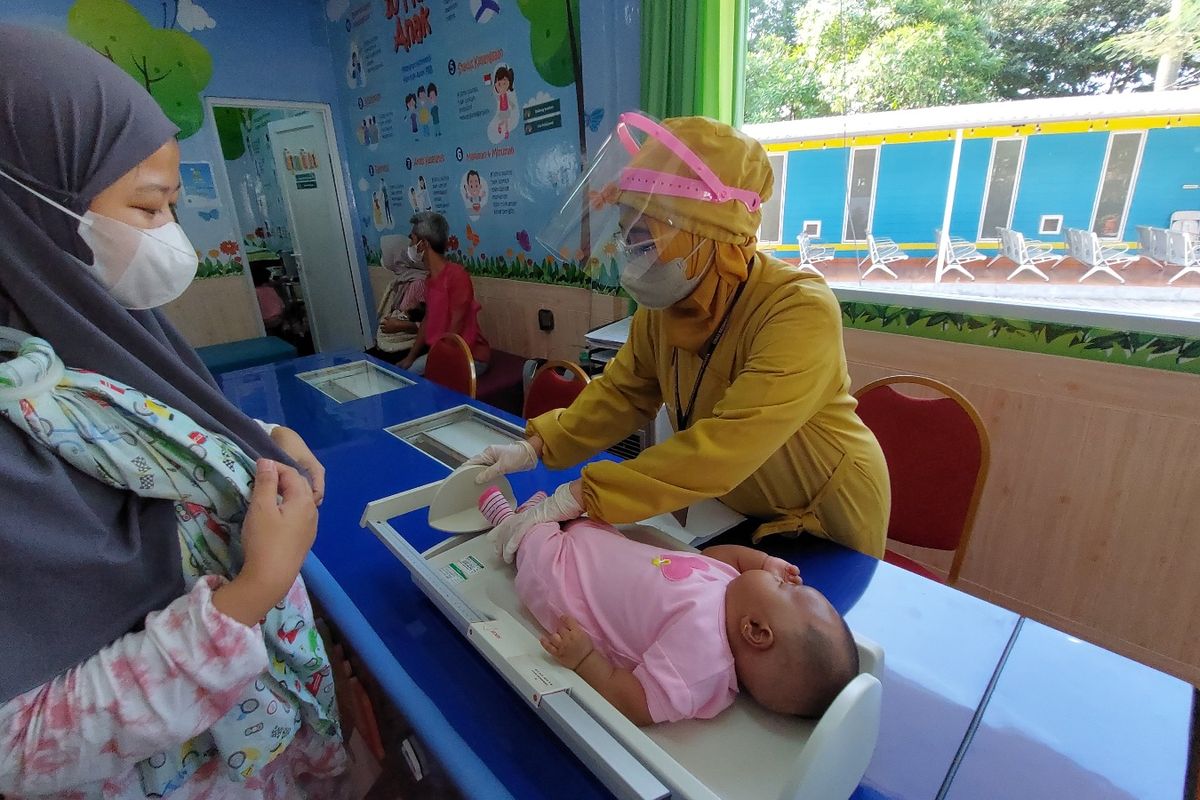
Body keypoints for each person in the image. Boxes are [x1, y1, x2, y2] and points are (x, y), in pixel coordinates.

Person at [0, 26, 345, 798]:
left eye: (171, 204)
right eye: (148, 207)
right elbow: (19, 748)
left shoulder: (88, 323)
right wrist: (251, 596)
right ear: (28, 212)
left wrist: (243, 439)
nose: (170, 240)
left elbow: (146, 435)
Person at [468, 113, 890, 559]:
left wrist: (583, 494)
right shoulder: (665, 307)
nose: (631, 255)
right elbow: (623, 394)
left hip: (825, 516)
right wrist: (536, 445)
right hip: (736, 507)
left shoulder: (798, 309)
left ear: (712, 234)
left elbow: (726, 447)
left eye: (646, 238)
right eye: (627, 236)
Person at [479, 489, 859, 726]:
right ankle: (530, 518)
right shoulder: (731, 594)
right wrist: (762, 564)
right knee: (570, 518)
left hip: (568, 583)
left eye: (786, 588)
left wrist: (585, 660)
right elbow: (712, 556)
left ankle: (506, 520)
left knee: (532, 543)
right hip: (604, 547)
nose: (787, 578)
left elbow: (638, 703)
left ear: (757, 631)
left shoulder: (704, 662)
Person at [399, 212, 491, 376]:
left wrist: (438, 362)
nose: (411, 245)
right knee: (406, 374)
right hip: (444, 352)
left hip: (470, 356)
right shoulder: (430, 279)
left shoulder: (457, 276)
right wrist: (410, 358)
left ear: (423, 244)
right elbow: (428, 319)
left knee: (414, 378)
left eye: (412, 239)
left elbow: (456, 326)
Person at [373, 249, 427, 358]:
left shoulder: (418, 283)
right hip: (398, 334)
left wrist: (398, 325)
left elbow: (425, 321)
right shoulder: (403, 280)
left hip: (410, 343)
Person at [252, 261, 285, 332]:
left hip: (265, 322)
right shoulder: (270, 290)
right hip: (277, 319)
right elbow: (282, 306)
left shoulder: (254, 292)